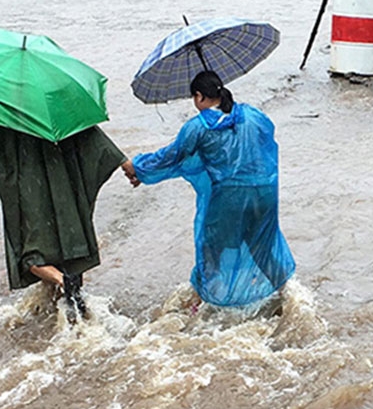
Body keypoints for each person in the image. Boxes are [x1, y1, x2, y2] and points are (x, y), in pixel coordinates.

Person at [124, 71, 296, 308]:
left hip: (230, 199)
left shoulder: (198, 127)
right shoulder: (251, 114)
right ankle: (288, 298)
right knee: (261, 247)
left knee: (210, 249)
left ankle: (201, 305)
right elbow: (268, 135)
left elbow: (172, 157)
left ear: (199, 96)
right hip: (264, 195)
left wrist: (138, 168)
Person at [0, 121, 136, 321]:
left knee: (30, 255)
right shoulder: (55, 101)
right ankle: (72, 306)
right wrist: (125, 163)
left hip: (24, 192)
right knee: (67, 246)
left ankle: (61, 282)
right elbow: (89, 135)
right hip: (62, 184)